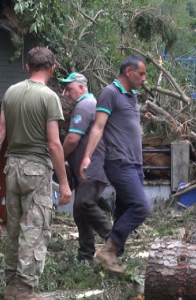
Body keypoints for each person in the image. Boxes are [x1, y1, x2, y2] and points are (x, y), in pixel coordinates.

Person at [0, 46, 71, 300]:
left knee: (14, 228)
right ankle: (24, 290)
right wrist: (63, 183)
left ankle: (11, 286)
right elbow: (54, 144)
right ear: (52, 69)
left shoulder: (11, 92)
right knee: (35, 229)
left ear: (27, 67)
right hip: (36, 170)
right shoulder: (49, 97)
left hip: (12, 169)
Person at [79, 55, 152, 274]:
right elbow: (98, 127)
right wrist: (86, 157)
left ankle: (112, 263)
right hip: (119, 162)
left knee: (123, 210)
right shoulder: (110, 93)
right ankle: (108, 251)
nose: (144, 78)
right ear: (128, 71)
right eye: (141, 73)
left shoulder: (132, 96)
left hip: (134, 164)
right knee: (141, 207)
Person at [59, 72, 111, 262]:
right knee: (80, 213)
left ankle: (114, 239)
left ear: (81, 87)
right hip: (86, 169)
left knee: (84, 204)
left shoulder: (84, 105)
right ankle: (85, 256)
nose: (66, 93)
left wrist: (58, 158)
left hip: (93, 167)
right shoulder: (89, 105)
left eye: (69, 88)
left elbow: (73, 139)